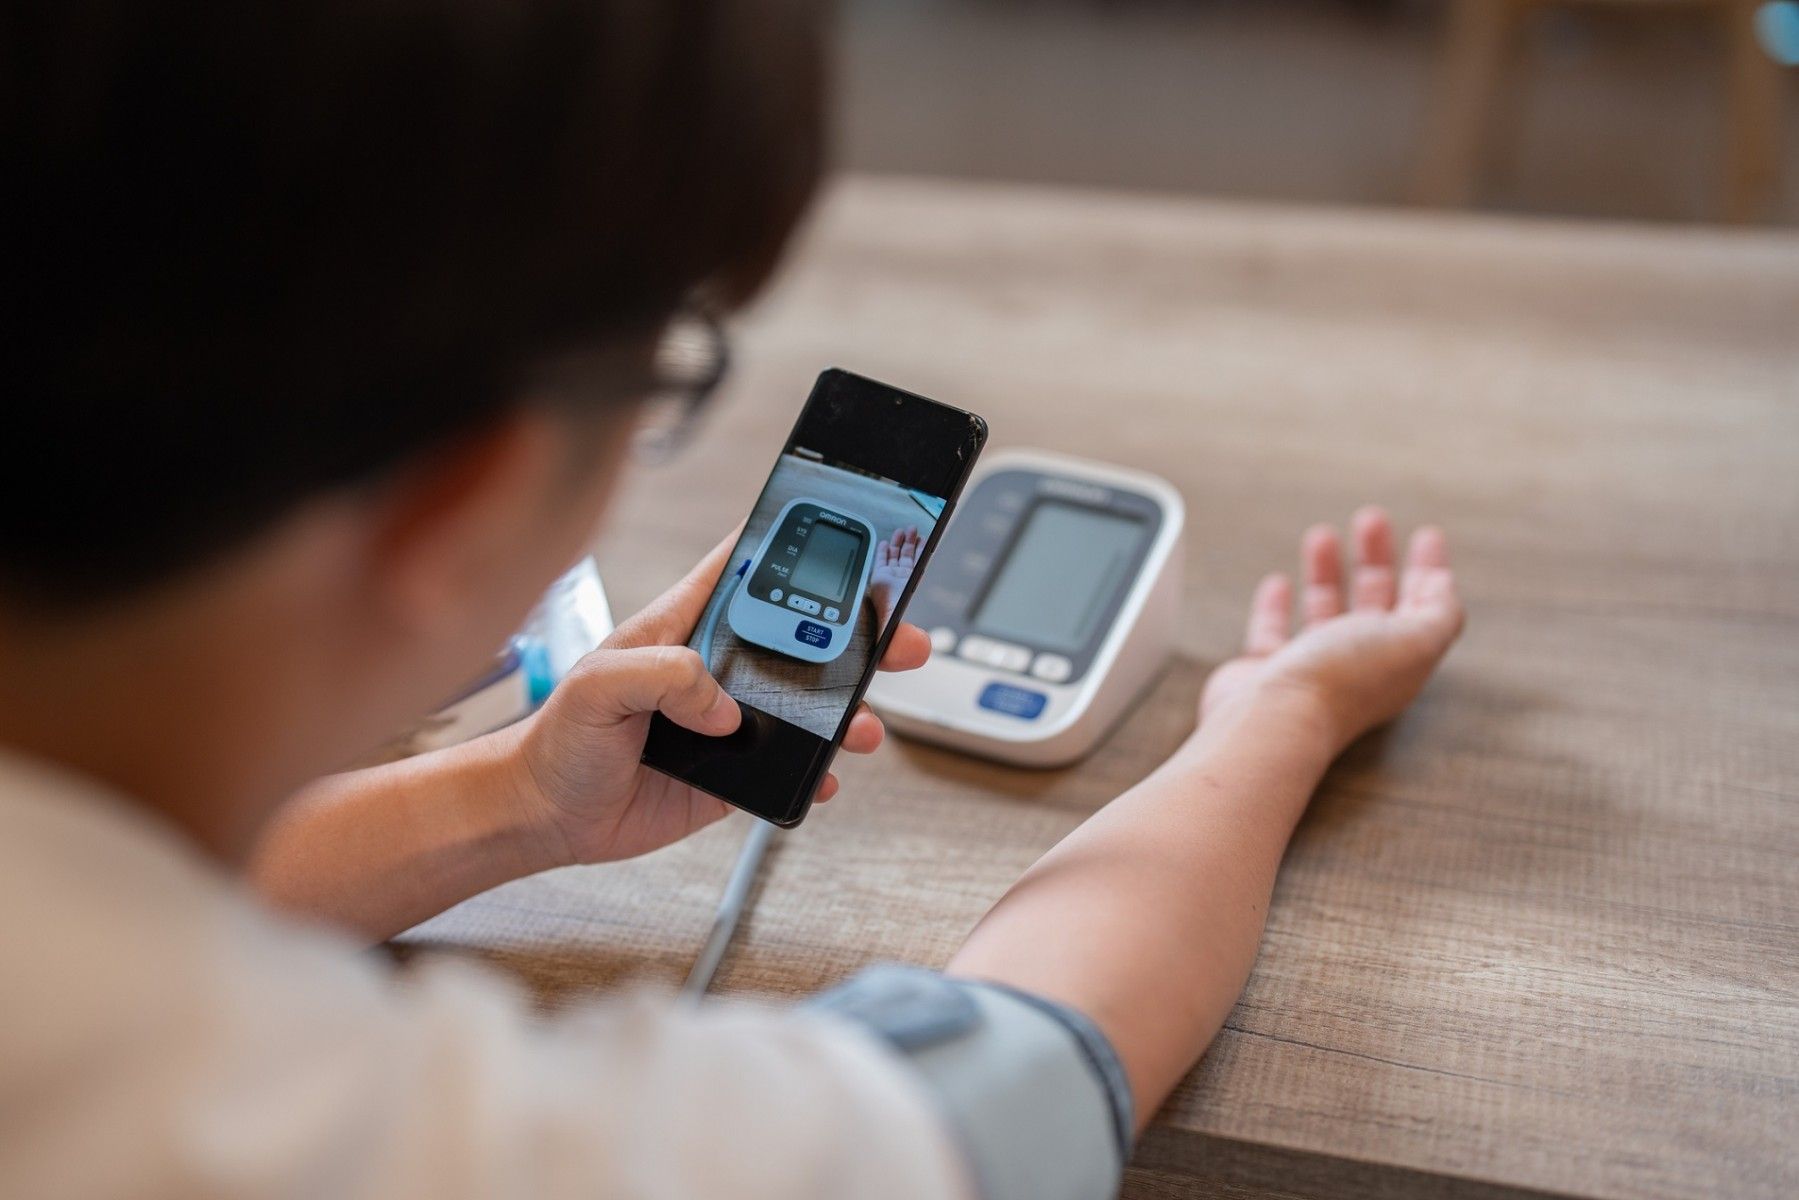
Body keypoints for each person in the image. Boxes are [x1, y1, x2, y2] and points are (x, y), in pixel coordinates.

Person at [0, 3, 1465, 1198]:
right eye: (660, 387)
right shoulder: (382, 1143)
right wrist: (1280, 714)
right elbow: (1021, 1070)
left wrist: (515, 798)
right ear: (472, 490)